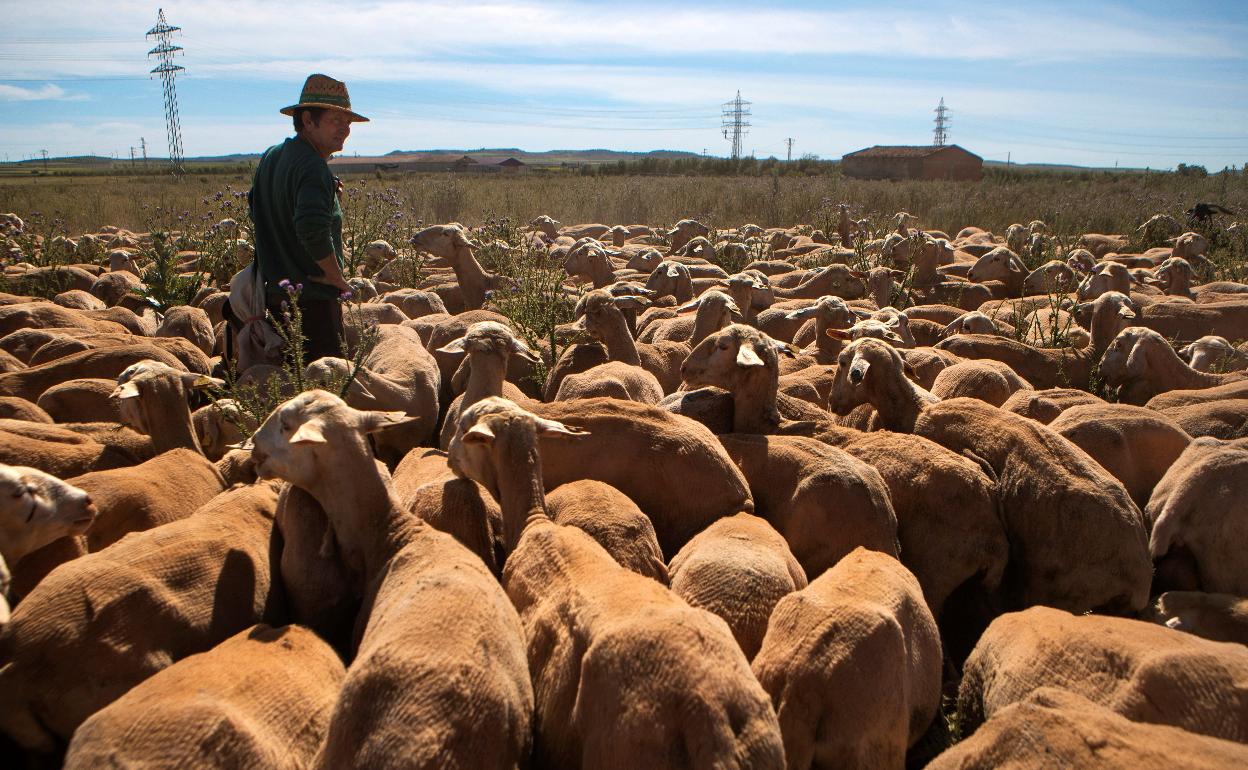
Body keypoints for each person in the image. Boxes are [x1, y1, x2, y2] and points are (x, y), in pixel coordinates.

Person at [247, 73, 368, 364]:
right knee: (324, 393)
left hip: (277, 299)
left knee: (292, 385)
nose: (345, 129)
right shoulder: (313, 167)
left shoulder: (272, 157)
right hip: (313, 303)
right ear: (308, 120)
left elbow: (256, 208)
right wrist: (335, 276)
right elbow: (311, 229)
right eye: (335, 121)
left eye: (348, 122)